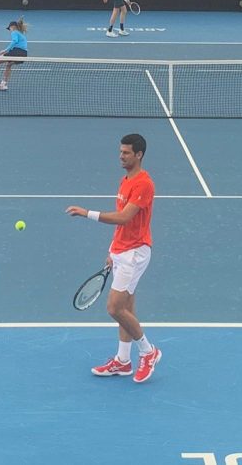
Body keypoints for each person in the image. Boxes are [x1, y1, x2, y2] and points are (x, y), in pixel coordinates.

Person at [66, 133, 161, 384]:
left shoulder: (143, 184)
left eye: (126, 152)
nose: (121, 156)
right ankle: (123, 361)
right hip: (121, 251)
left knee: (114, 308)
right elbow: (121, 223)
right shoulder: (125, 180)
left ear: (138, 155)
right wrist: (112, 250)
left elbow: (123, 218)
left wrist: (87, 213)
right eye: (120, 152)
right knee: (126, 308)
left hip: (135, 252)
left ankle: (148, 352)